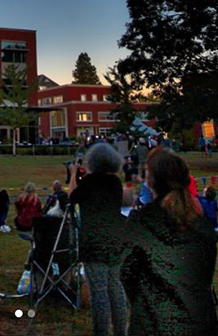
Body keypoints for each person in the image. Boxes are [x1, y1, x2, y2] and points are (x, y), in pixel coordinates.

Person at [120, 149, 218, 335]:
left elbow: (127, 273)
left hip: (154, 323)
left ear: (150, 182)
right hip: (198, 321)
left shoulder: (141, 222)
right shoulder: (201, 225)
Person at [71, 142, 129, 336]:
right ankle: (121, 331)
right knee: (115, 289)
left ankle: (101, 332)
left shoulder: (88, 183)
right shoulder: (115, 183)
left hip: (94, 243)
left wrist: (73, 174)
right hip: (116, 240)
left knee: (99, 293)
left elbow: (71, 197)